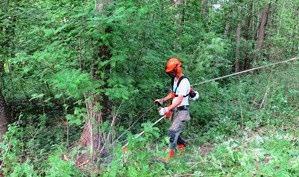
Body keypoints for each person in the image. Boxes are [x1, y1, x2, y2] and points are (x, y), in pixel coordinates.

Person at [155, 57, 198, 161]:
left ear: (177, 69)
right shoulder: (175, 80)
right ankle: (182, 146)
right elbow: (173, 93)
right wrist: (162, 100)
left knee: (173, 131)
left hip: (182, 111)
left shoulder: (184, 82)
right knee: (175, 132)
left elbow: (179, 100)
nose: (171, 74)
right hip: (176, 110)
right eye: (170, 73)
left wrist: (166, 109)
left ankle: (170, 157)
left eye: (172, 72)